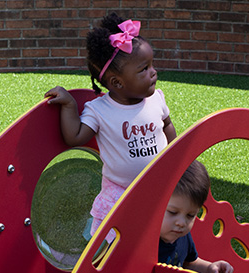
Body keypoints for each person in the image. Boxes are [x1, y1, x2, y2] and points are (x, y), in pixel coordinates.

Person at [45, 13, 177, 237]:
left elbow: (167, 126)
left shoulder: (156, 99)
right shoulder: (100, 110)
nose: (153, 72)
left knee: (156, 233)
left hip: (159, 184)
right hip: (119, 191)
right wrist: (68, 104)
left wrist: (178, 158)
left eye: (152, 65)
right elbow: (75, 136)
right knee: (114, 240)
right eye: (144, 69)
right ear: (117, 82)